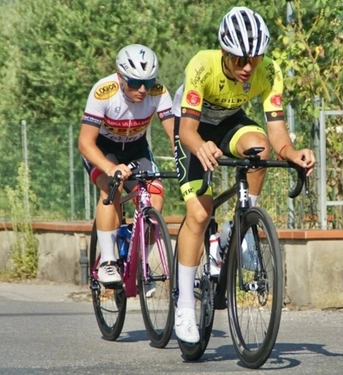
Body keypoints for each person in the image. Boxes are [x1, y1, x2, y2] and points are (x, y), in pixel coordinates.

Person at [173, 6, 315, 343]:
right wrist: (200, 147)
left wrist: (294, 154)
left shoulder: (269, 71)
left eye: (255, 58)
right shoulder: (201, 64)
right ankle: (184, 307)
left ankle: (240, 224)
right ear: (224, 51)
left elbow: (277, 134)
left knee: (260, 148)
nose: (249, 67)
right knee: (198, 211)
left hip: (229, 121)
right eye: (240, 60)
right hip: (193, 127)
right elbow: (189, 130)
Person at [78, 44, 174, 284]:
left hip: (136, 148)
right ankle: (108, 262)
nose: (142, 90)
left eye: (148, 83)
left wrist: (186, 160)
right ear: (120, 77)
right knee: (111, 186)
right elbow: (85, 142)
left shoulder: (159, 93)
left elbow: (176, 136)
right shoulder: (103, 91)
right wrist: (110, 168)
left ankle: (140, 263)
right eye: (134, 83)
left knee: (156, 197)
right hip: (102, 149)